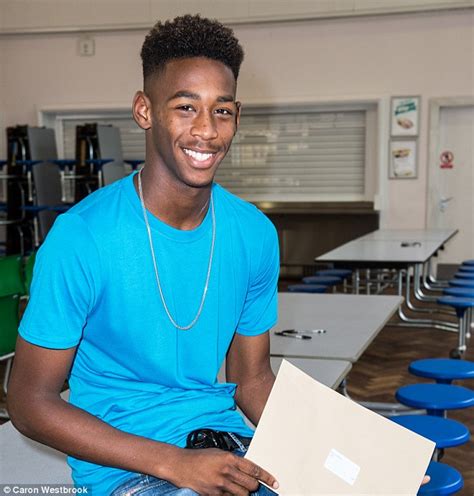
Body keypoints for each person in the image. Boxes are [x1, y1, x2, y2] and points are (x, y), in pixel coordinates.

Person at [8, 14, 280, 496]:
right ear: (144, 110)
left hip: (226, 447)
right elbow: (29, 401)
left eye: (222, 111)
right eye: (185, 107)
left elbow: (253, 379)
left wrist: (350, 455)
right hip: (131, 466)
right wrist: (175, 464)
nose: (206, 131)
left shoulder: (254, 234)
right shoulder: (82, 238)